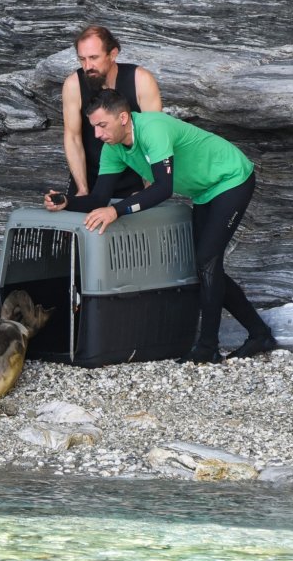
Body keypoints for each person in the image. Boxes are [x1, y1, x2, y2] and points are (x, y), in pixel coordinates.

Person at [44, 89, 277, 364]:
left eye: (102, 125)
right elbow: (98, 199)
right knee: (205, 265)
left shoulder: (153, 129)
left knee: (207, 261)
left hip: (231, 178)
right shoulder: (114, 148)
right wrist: (66, 202)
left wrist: (116, 211)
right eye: (93, 127)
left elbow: (163, 189)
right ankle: (259, 334)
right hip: (204, 192)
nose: (97, 134)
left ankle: (207, 347)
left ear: (122, 118)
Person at [62, 25, 162, 199]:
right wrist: (82, 189)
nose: (88, 66)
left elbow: (154, 138)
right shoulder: (73, 84)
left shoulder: (141, 80)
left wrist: (149, 186)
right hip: (92, 177)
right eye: (82, 59)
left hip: (135, 176)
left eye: (94, 58)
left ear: (113, 54)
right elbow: (72, 138)